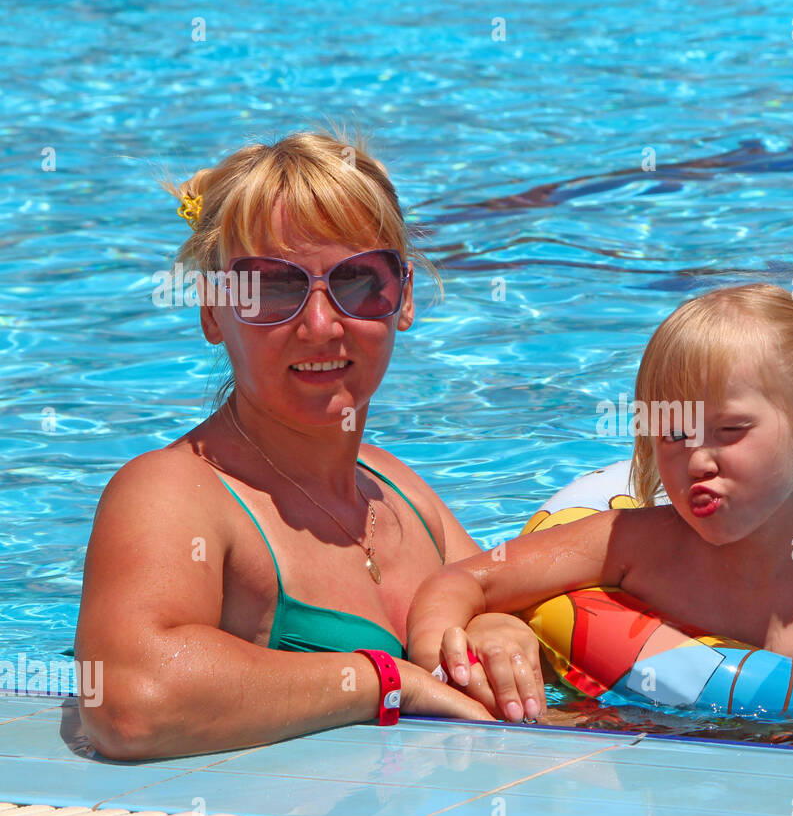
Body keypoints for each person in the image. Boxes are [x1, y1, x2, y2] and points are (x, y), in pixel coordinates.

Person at [75, 131, 544, 761]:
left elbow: (489, 594)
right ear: (214, 313)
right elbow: (131, 703)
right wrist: (382, 680)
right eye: (270, 287)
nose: (321, 325)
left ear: (402, 298)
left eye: (357, 282)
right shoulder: (174, 493)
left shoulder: (399, 490)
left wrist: (497, 629)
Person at [407, 282, 793, 683]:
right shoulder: (635, 545)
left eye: (729, 431)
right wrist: (446, 661)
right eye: (673, 433)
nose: (697, 461)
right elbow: (464, 580)